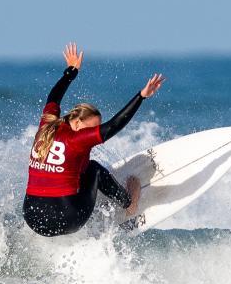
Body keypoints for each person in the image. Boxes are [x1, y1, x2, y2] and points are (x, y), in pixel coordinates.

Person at [22, 42, 166, 237]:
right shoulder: (77, 139)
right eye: (92, 127)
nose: (94, 133)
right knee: (93, 168)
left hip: (32, 218)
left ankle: (75, 194)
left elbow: (53, 97)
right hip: (67, 220)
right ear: (78, 122)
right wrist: (141, 96)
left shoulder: (46, 125)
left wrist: (71, 71)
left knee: (72, 168)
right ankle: (129, 202)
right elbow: (114, 125)